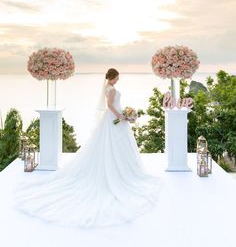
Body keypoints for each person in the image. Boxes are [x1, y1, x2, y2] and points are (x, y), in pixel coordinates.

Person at [14, 68, 163, 228]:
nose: (117, 80)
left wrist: (124, 114)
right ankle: (121, 170)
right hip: (115, 117)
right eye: (117, 78)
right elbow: (111, 105)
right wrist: (121, 116)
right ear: (112, 77)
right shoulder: (111, 89)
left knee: (112, 144)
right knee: (115, 143)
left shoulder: (107, 87)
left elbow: (111, 104)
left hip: (112, 118)